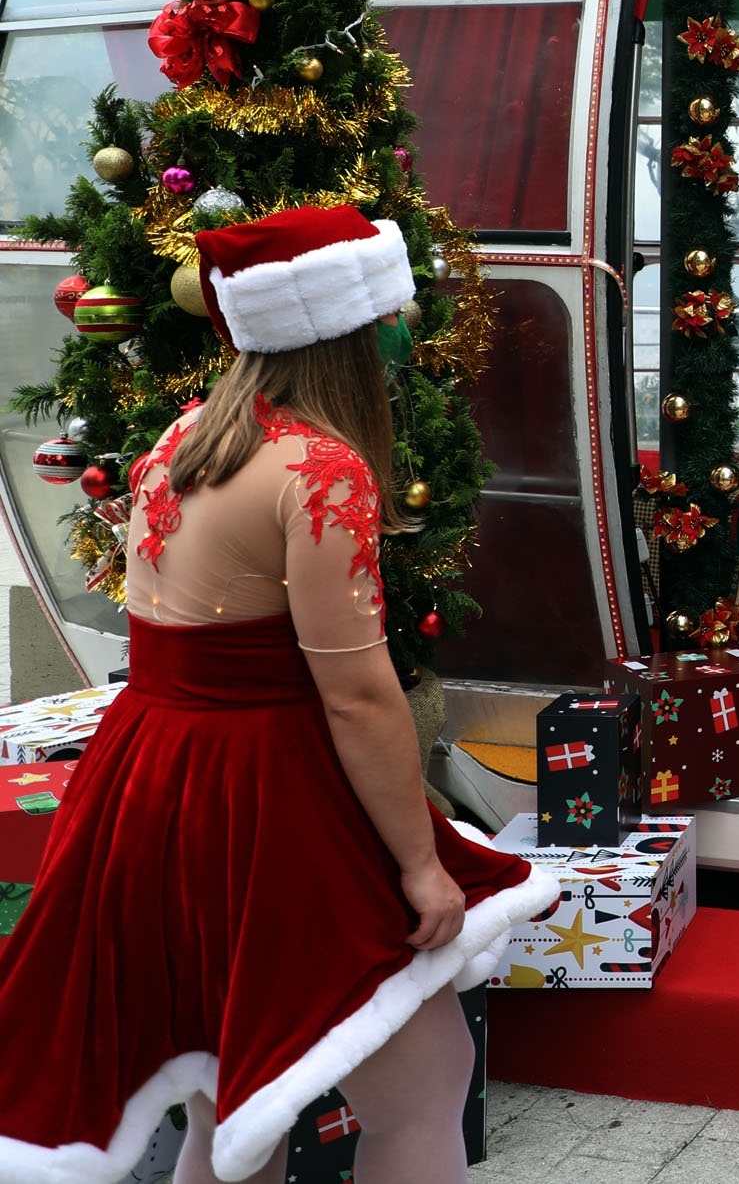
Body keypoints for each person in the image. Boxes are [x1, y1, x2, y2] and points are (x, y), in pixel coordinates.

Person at [0, 205, 556, 1184]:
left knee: (234, 1096)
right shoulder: (322, 469)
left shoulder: (184, 436)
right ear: (345, 331)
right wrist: (421, 865)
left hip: (151, 780)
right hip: (266, 797)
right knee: (425, 1085)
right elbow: (359, 698)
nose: (403, 332)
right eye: (389, 314)